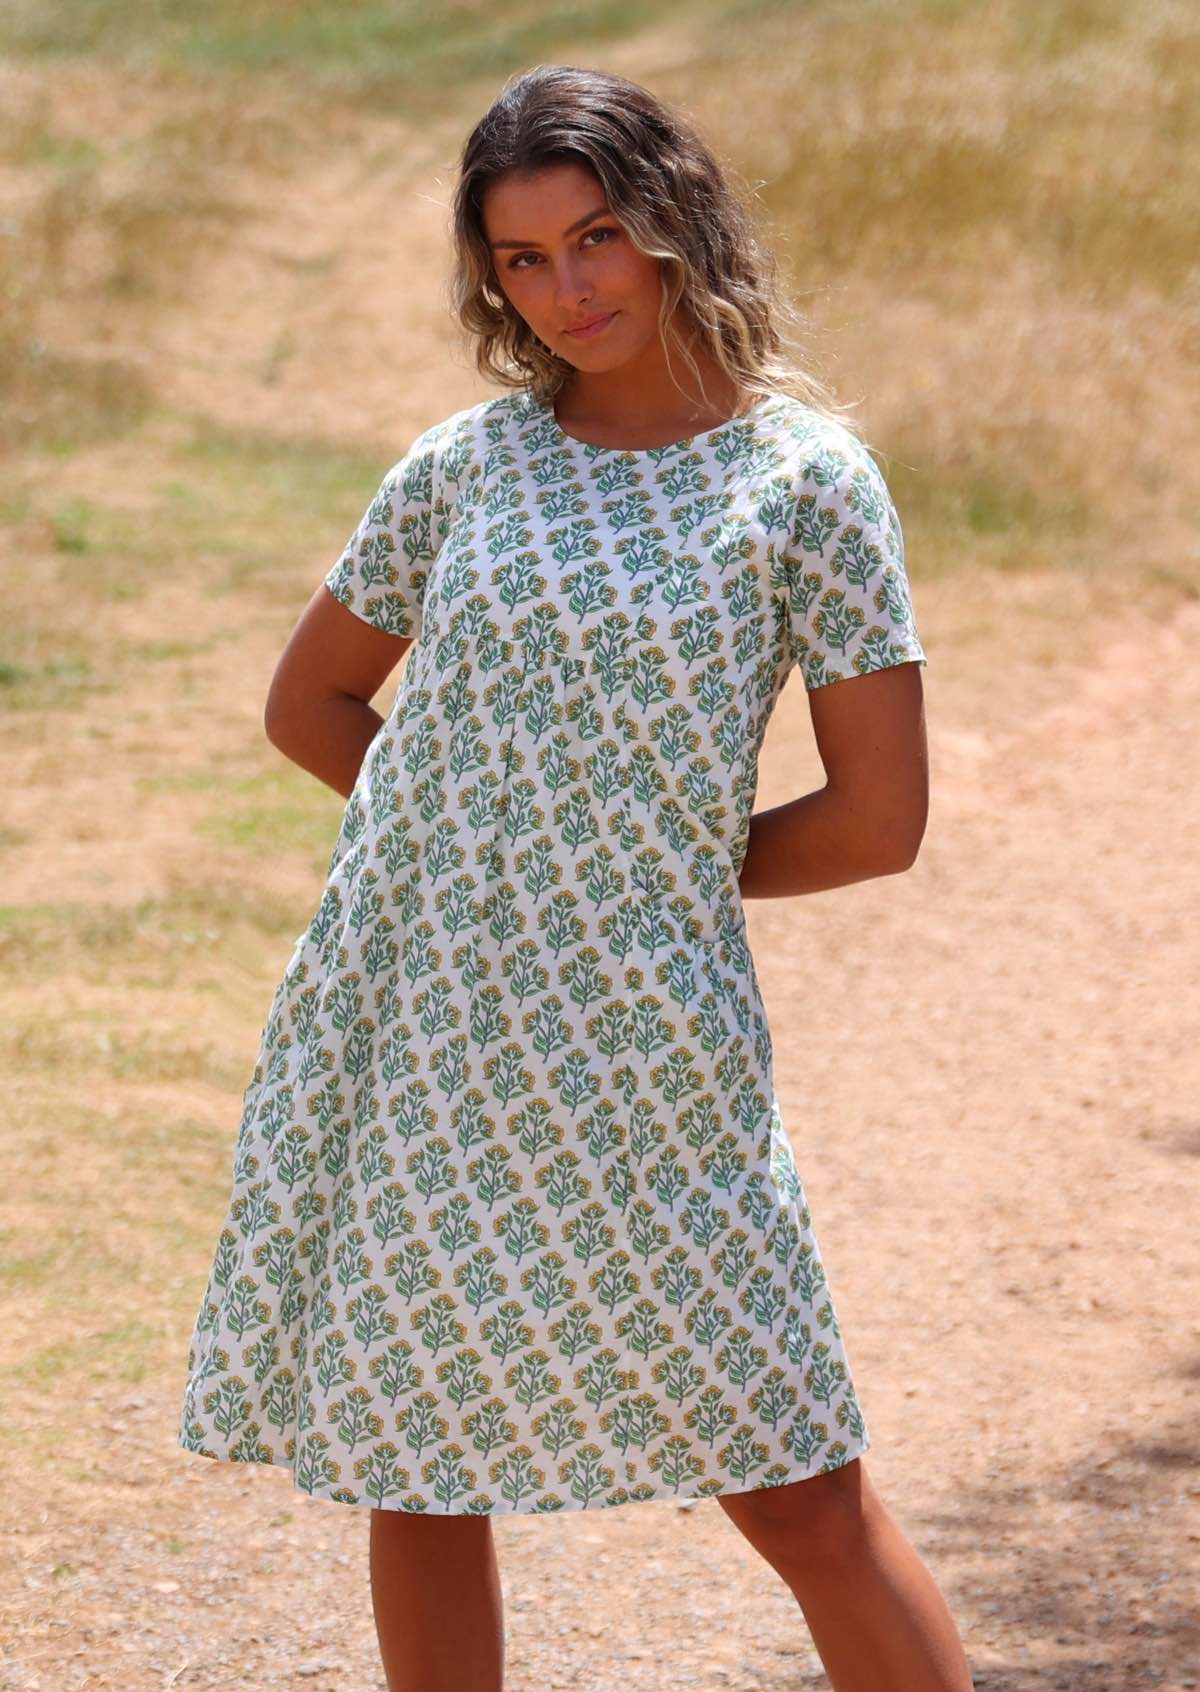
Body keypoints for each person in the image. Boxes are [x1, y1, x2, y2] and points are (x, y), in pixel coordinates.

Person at [177, 61, 972, 1692]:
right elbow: (310, 703)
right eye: (523, 259)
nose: (569, 289)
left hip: (650, 1046)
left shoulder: (805, 482)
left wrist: (642, 869)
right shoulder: (467, 467)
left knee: (797, 1478)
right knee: (418, 1462)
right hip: (427, 1030)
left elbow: (878, 816)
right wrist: (472, 846)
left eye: (597, 236)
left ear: (673, 221)